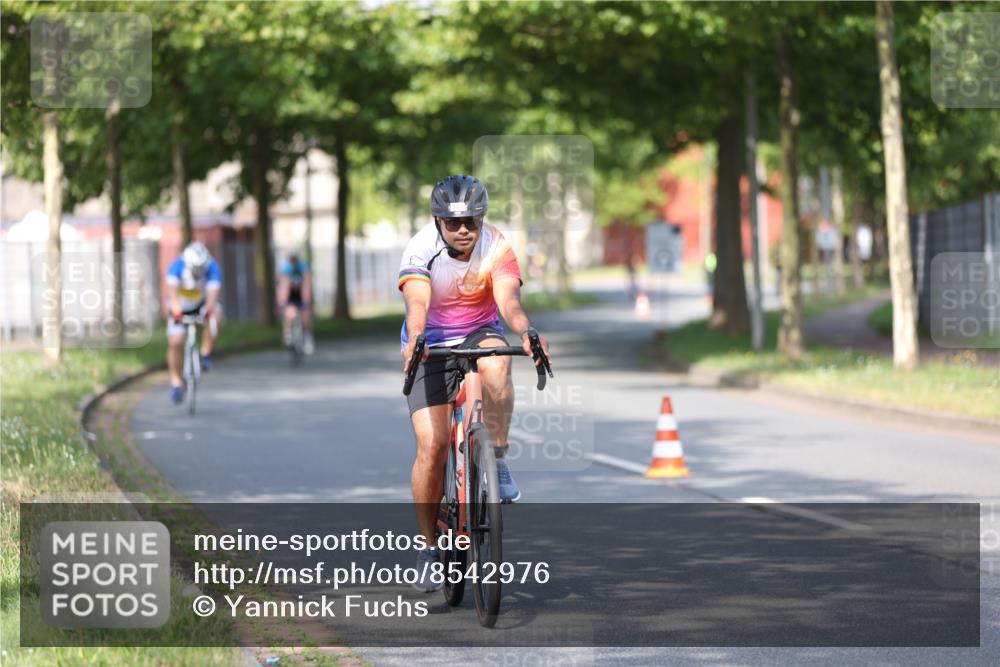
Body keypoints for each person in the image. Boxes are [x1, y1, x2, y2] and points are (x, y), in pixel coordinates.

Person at [399, 174, 550, 592]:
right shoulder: (419, 249)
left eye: (472, 221)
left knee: (499, 366)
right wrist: (415, 340)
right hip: (429, 340)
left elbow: (508, 300)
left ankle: (496, 461)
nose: (463, 230)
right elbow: (417, 302)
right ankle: (429, 548)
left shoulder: (496, 245)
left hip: (478, 332)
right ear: (438, 222)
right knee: (432, 445)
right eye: (453, 222)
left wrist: (526, 332)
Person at [165, 241, 222, 404]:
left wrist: (207, 312)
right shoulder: (177, 267)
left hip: (200, 305)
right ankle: (176, 382)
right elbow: (173, 296)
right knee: (176, 342)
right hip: (180, 307)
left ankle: (205, 354)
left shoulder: (212, 267)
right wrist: (176, 313)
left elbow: (212, 296)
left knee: (216, 315)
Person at [277, 251, 314, 354]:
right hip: (290, 296)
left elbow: (307, 285)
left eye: (295, 259)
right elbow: (283, 287)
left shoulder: (303, 268)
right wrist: (282, 301)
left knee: (306, 316)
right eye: (291, 260)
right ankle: (288, 334)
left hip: (301, 296)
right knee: (289, 313)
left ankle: (307, 338)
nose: (293, 262)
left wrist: (307, 300)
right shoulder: (286, 269)